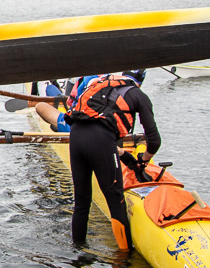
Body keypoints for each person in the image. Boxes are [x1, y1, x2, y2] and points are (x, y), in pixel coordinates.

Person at [64, 70, 160, 252]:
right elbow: (154, 141)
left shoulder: (100, 82)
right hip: (99, 140)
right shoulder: (138, 94)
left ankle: (78, 255)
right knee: (116, 201)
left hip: (76, 136)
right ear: (141, 80)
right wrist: (144, 159)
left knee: (82, 202)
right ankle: (123, 263)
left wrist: (122, 155)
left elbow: (93, 123)